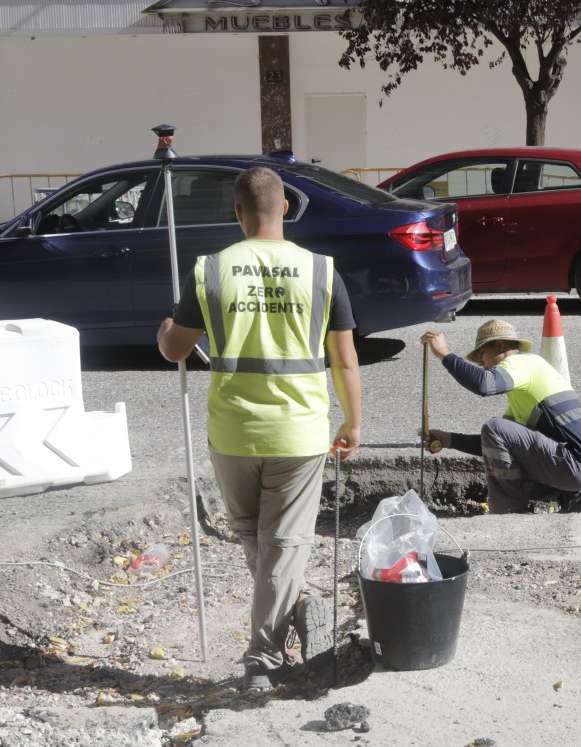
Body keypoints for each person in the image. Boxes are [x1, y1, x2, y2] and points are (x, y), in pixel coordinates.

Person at [157, 166, 362, 691]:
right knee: (282, 546)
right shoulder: (321, 271)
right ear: (286, 209)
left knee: (259, 539)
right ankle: (273, 646)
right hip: (299, 432)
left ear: (237, 212)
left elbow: (175, 349)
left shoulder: (210, 270)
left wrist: (165, 330)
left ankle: (267, 647)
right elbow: (344, 359)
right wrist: (353, 421)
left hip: (233, 432)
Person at [420, 319, 581, 514]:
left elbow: (484, 384)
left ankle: (508, 513)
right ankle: (574, 498)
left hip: (576, 464)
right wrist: (450, 440)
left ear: (500, 345)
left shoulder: (522, 362)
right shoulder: (525, 383)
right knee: (499, 443)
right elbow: (495, 446)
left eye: (481, 353)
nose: (480, 362)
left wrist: (444, 352)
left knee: (494, 428)